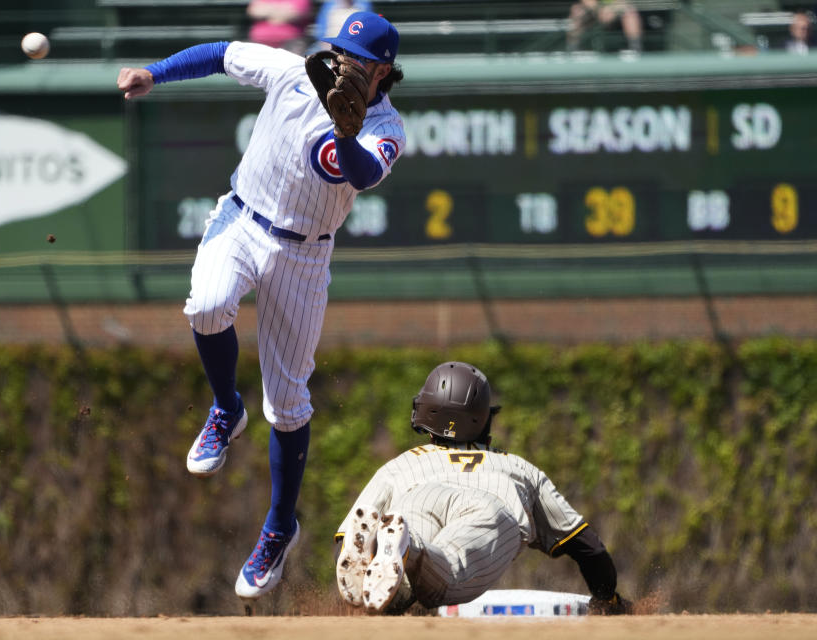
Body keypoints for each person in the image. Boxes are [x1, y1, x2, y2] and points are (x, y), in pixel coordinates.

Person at [116, 11, 406, 600]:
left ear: (381, 72)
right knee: (205, 306)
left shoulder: (386, 124)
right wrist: (154, 72)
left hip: (302, 256)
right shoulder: (292, 71)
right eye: (337, 53)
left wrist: (346, 132)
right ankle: (226, 408)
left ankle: (279, 526)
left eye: (356, 60)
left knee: (290, 405)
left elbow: (366, 172)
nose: (342, 65)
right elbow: (223, 52)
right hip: (243, 218)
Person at [334, 362, 632, 615]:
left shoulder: (401, 464)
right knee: (446, 570)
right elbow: (588, 547)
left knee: (403, 584)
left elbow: (345, 539)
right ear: (480, 419)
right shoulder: (518, 468)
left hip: (418, 499)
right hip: (488, 511)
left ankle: (401, 546)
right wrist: (608, 598)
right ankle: (407, 546)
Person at [567, 0, 643, 53]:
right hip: (594, 11)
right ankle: (573, 50)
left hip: (616, 9)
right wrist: (599, 10)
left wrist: (612, 9)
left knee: (630, 12)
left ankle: (635, 49)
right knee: (577, 11)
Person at [246, 0, 313, 54]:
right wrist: (280, 11)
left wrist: (268, 10)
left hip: (290, 42)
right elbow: (254, 11)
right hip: (259, 41)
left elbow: (294, 14)